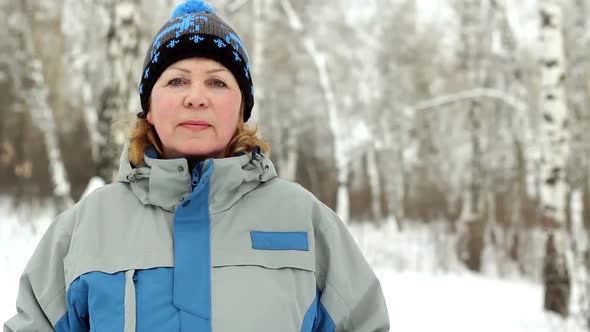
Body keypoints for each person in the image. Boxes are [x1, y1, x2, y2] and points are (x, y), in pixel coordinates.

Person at [3, 0, 390, 331]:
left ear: (241, 109)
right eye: (176, 81)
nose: (196, 98)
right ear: (149, 109)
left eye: (218, 83)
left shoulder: (305, 220)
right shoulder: (85, 227)